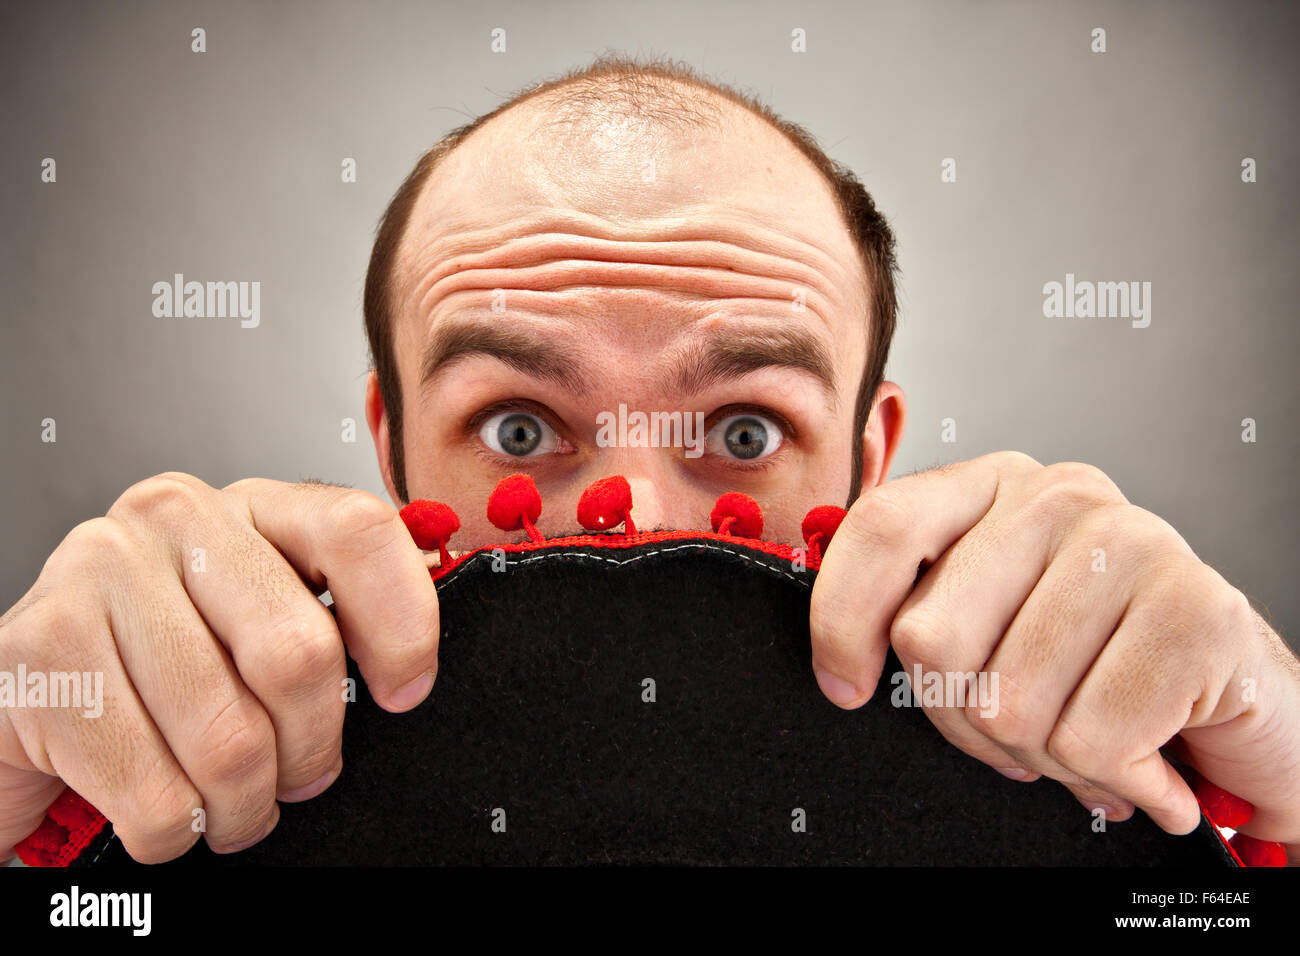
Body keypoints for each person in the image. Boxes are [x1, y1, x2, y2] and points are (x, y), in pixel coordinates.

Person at [3, 53, 1297, 865]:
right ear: (392, 448)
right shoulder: (125, 819)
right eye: (519, 429)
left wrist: (1285, 783)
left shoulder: (1117, 800)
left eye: (744, 432)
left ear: (872, 453)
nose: (635, 520)